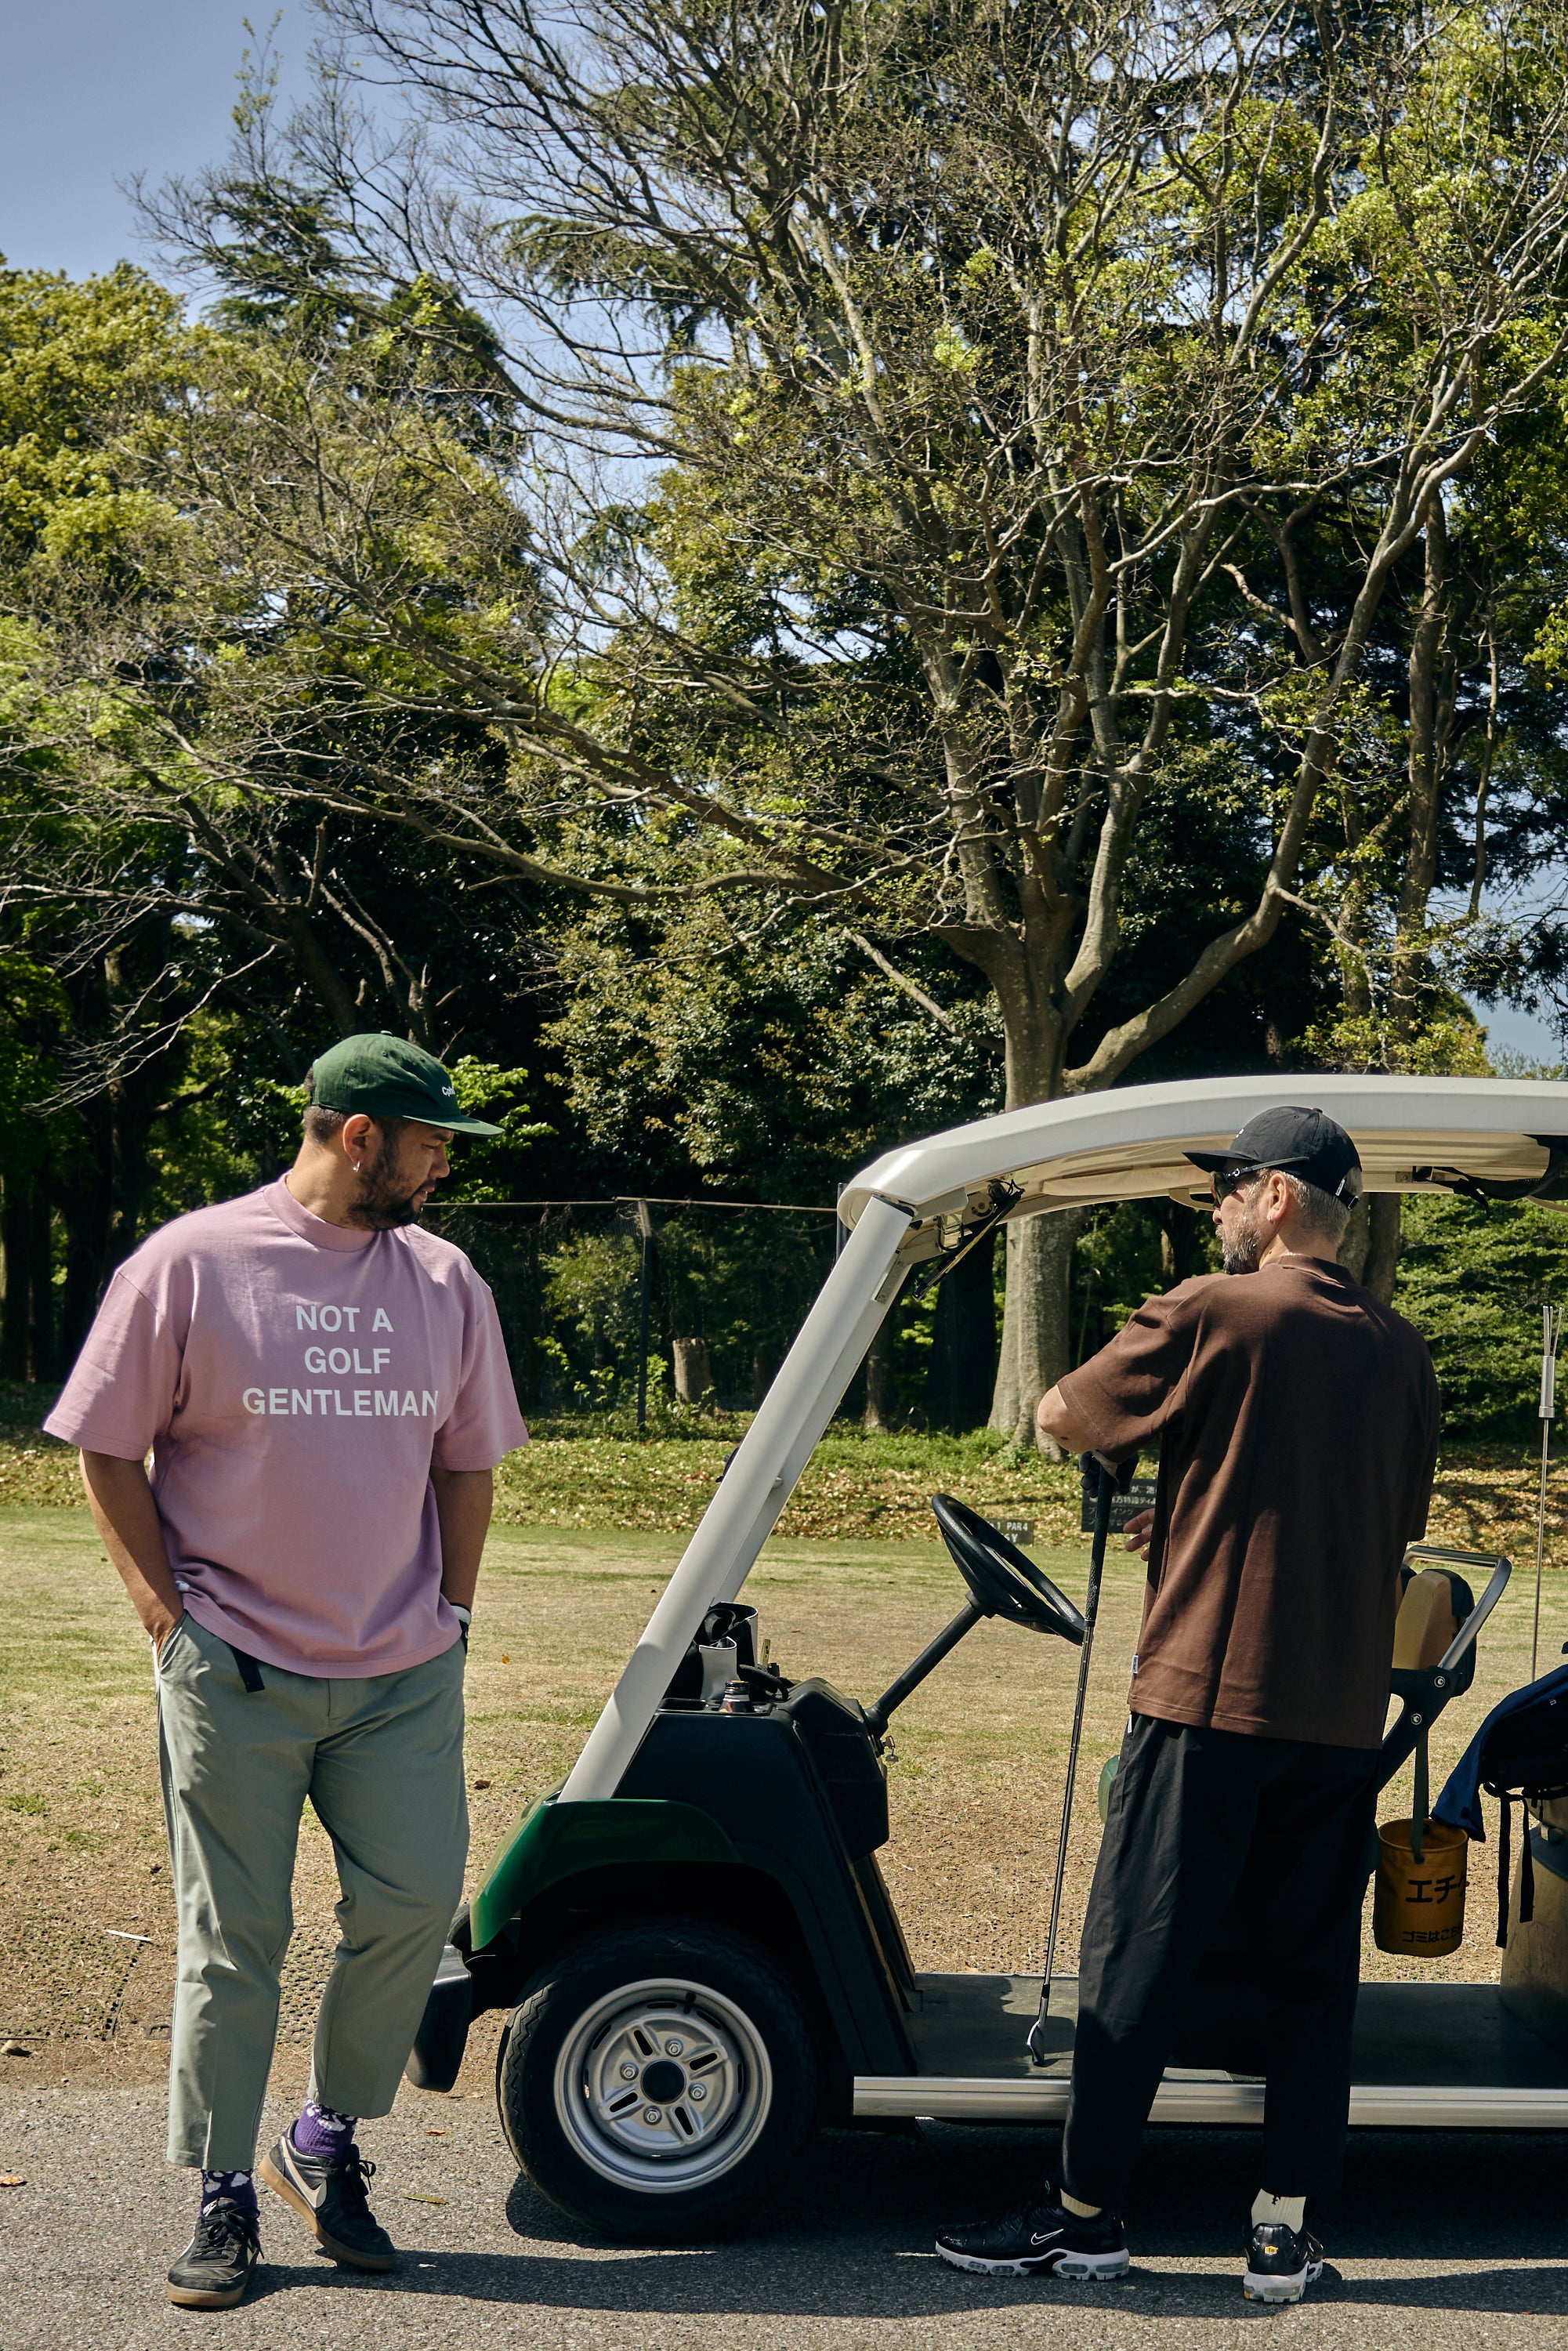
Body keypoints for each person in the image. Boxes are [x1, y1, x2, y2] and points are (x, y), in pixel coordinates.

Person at [43, 1032, 529, 2312]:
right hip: (234, 1668)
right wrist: (167, 1618)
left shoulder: (444, 1279)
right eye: (429, 1143)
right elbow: (105, 1446)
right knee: (233, 1940)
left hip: (403, 1669)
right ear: (356, 1133)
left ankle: (322, 2138)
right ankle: (221, 2192)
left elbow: (468, 1459)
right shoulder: (191, 1264)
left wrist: (457, 1610)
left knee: (418, 1907)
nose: (441, 1168)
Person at [936, 1107, 1439, 2304]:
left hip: (1208, 1691)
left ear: (1275, 1199)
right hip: (1334, 1714)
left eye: (1225, 1187)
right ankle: (1280, 2230)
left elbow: (1058, 1418)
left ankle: (1083, 2216)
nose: (1211, 1205)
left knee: (1136, 1963)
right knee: (1310, 1980)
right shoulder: (1400, 1346)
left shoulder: (1213, 1312)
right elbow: (1390, 1520)